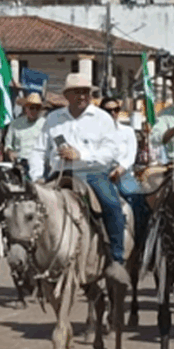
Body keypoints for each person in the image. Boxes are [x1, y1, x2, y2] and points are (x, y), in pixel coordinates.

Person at [28, 73, 128, 282]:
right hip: (59, 174)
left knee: (111, 204)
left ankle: (116, 259)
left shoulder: (102, 118)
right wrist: (37, 177)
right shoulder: (53, 119)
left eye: (86, 92)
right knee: (30, 210)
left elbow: (111, 151)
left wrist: (81, 155)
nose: (82, 96)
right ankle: (32, 260)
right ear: (67, 95)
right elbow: (38, 150)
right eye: (77, 92)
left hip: (92, 174)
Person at [101, 97, 150, 244]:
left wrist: (120, 169)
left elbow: (130, 155)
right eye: (108, 110)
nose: (112, 113)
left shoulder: (127, 131)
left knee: (137, 200)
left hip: (123, 174)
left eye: (116, 110)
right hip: (101, 174)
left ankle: (140, 240)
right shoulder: (94, 132)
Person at [4, 92, 46, 165]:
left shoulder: (45, 124)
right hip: (19, 162)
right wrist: (10, 152)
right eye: (31, 108)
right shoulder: (15, 124)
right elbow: (8, 144)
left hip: (38, 163)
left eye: (37, 108)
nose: (34, 111)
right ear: (26, 108)